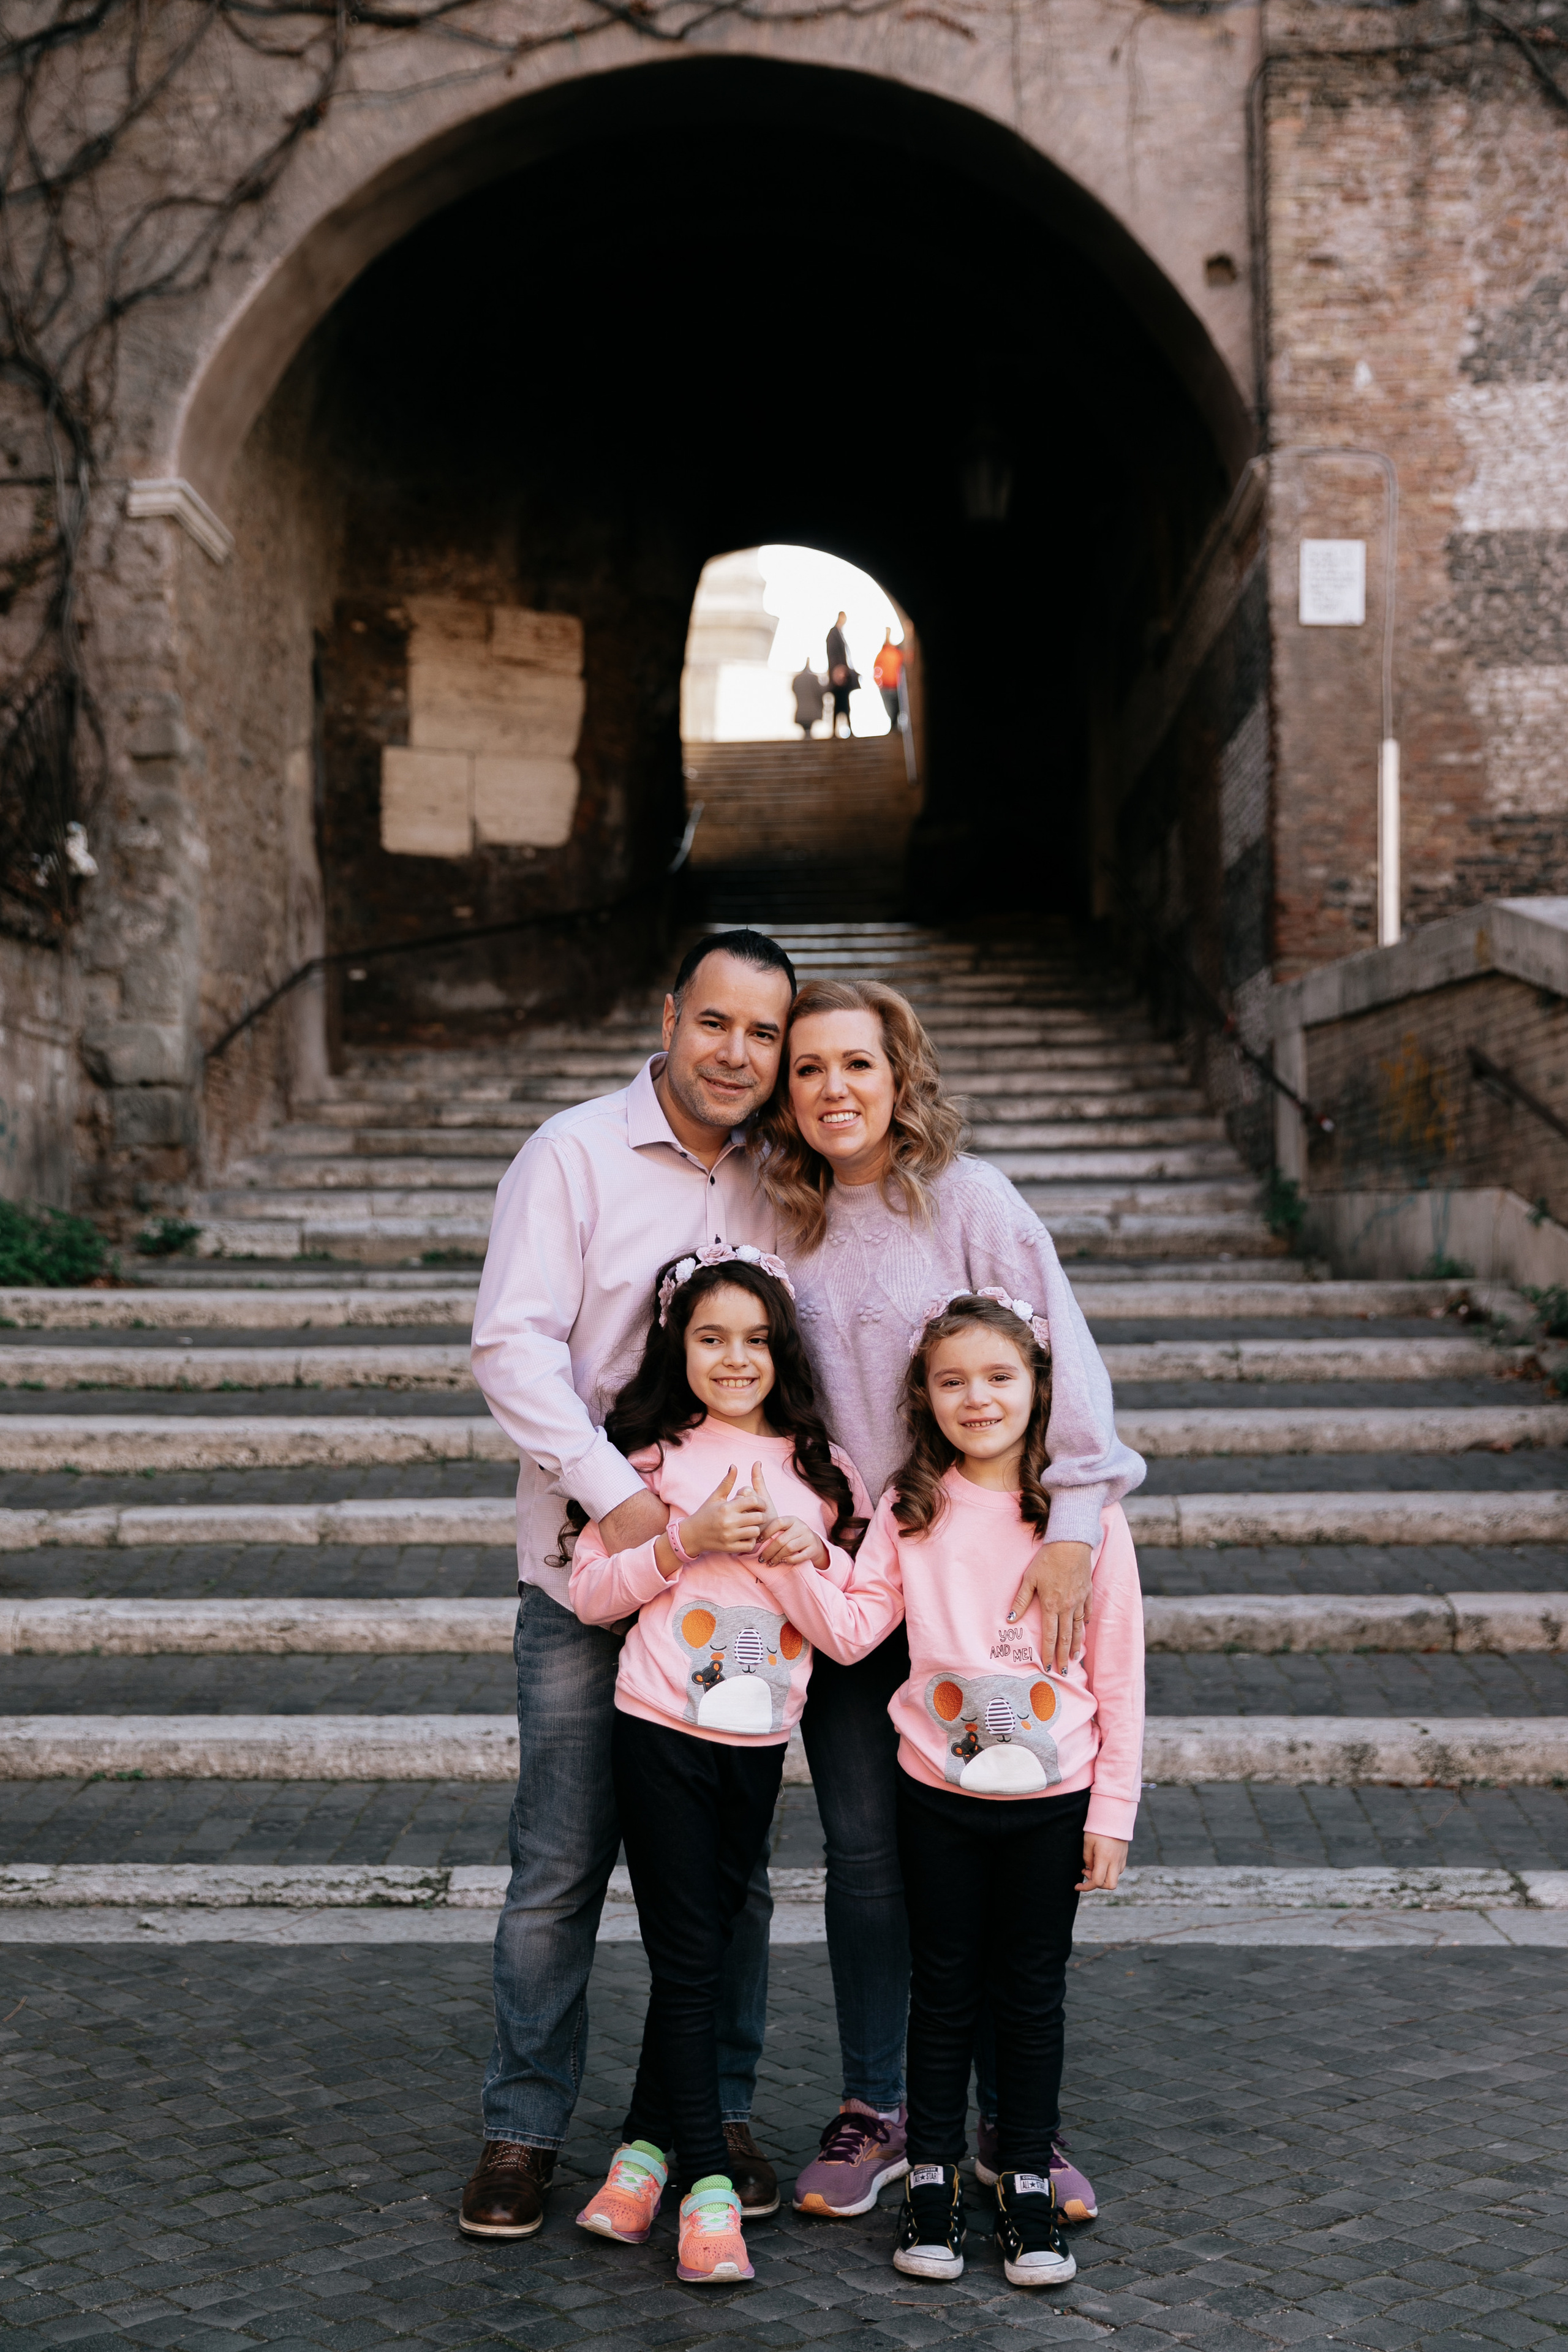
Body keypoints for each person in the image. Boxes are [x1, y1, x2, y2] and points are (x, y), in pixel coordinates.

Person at [753, 975, 1143, 2224]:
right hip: (858, 1583)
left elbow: (1062, 1364)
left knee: (1004, 1869)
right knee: (871, 1864)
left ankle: (1010, 2124)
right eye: (806, 1069)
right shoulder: (776, 1216)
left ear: (898, 1074)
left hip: (983, 1579)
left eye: (855, 1065)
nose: (832, 1091)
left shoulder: (971, 1202)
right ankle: (879, 2107)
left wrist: (1075, 1529)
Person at [461, 929, 797, 2241]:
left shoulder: (785, 1174)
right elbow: (511, 1347)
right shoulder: (572, 1155)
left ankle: (708, 2117)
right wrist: (626, 1499)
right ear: (668, 1016)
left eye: (762, 1034)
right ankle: (522, 2129)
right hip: (589, 1574)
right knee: (556, 1864)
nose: (735, 1053)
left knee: (734, 1879)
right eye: (714, 1023)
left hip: (735, 1606)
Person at [824, 1291, 1145, 2286]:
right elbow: (848, 1629)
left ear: (1041, 1388)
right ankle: (929, 2177)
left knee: (1032, 1994)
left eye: (1000, 1376)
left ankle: (1023, 2180)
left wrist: (1115, 1812)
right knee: (946, 1987)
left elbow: (1121, 1672)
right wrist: (790, 1557)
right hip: (939, 1799)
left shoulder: (1084, 1525)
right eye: (953, 1379)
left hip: (1053, 1804)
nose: (978, 1397)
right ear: (924, 1395)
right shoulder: (910, 1512)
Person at [568, 1246, 874, 2282]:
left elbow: (848, 1635)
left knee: (695, 1958)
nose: (733, 1358)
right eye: (710, 1339)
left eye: (754, 1339)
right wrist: (685, 1539)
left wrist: (801, 1555)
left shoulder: (822, 1467)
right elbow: (591, 1596)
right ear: (678, 1346)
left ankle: (641, 2153)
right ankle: (706, 2186)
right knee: (688, 1957)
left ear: (780, 1348)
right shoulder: (645, 1459)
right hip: (655, 1729)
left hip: (754, 1747)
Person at [826, 611, 858, 738]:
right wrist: (839, 671)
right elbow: (834, 654)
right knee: (840, 704)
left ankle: (841, 730)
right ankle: (836, 731)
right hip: (839, 677)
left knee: (843, 704)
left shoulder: (838, 634)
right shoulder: (834, 634)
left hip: (842, 676)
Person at [873, 628, 904, 731]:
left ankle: (895, 728)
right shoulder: (882, 654)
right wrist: (880, 683)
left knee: (897, 710)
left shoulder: (898, 654)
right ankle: (894, 729)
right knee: (891, 711)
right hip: (886, 688)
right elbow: (876, 670)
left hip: (896, 687)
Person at [791, 661, 826, 737]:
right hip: (811, 711)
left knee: (807, 733)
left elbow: (794, 690)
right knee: (808, 733)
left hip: (801, 710)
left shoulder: (797, 679)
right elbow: (819, 691)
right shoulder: (813, 678)